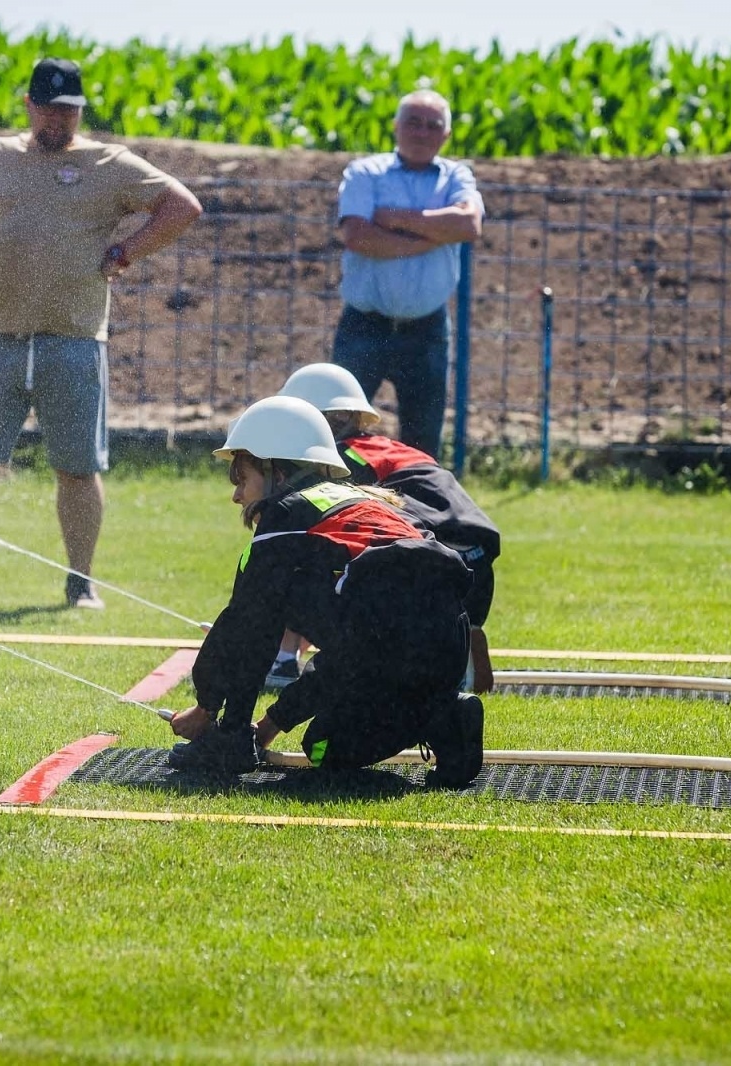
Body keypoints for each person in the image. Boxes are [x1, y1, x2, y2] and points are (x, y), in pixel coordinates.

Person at [0, 57, 202, 611]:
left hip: (75, 341)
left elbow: (182, 206)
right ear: (29, 105)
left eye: (68, 113)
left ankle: (79, 582)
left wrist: (128, 251)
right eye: (49, 111)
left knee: (78, 468)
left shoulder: (109, 162)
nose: (57, 123)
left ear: (80, 112)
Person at [167, 396, 484, 787]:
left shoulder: (285, 516)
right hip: (447, 648)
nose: (236, 495)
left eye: (242, 479)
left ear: (276, 475)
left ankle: (229, 739)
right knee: (349, 668)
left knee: (322, 745)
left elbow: (244, 626)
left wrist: (208, 707)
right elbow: (351, 649)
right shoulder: (367, 499)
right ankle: (445, 717)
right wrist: (269, 725)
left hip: (389, 651)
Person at [277, 361, 501, 692]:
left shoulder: (341, 460)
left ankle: (281, 658)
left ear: (318, 420)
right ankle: (461, 639)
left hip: (429, 561)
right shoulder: (394, 449)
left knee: (303, 550)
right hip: (476, 561)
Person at [332, 88, 484, 460]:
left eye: (433, 126)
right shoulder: (365, 173)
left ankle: (417, 518)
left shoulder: (456, 176)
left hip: (426, 330)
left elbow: (468, 224)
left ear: (446, 136)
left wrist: (397, 219)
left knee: (422, 443)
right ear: (396, 127)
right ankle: (332, 512)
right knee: (338, 434)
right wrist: (432, 236)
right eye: (413, 123)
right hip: (364, 327)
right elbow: (358, 236)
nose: (422, 132)